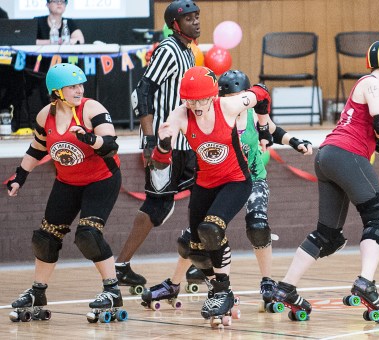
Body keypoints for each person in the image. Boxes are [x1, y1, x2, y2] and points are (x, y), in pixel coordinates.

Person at [267, 40, 379, 322]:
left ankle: (286, 288)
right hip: (347, 156)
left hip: (327, 156)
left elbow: (378, 141)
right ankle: (365, 281)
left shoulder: (362, 85)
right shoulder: (374, 84)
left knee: (327, 235)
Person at [151, 66, 271, 322]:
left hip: (237, 181)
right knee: (194, 248)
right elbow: (161, 157)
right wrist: (162, 145)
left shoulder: (227, 106)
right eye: (190, 99)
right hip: (204, 184)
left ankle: (223, 291)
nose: (196, 105)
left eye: (201, 99)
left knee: (212, 229)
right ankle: (217, 291)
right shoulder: (181, 114)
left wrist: (263, 127)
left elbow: (262, 92)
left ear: (212, 95)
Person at [6, 63, 125, 322]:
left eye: (81, 84)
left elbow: (112, 147)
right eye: (72, 86)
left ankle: (112, 290)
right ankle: (38, 292)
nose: (79, 90)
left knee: (88, 235)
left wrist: (89, 139)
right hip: (67, 182)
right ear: (57, 91)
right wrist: (20, 176)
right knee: (45, 238)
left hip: (101, 180)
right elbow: (37, 149)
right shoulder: (44, 116)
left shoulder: (92, 109)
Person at [117, 0, 201, 295]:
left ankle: (199, 260)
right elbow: (142, 92)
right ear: (175, 24)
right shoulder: (168, 50)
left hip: (187, 142)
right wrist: (151, 140)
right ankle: (121, 267)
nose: (196, 22)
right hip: (165, 145)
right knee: (158, 206)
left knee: (207, 194)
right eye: (189, 19)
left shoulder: (187, 51)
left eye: (197, 17)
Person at [220, 70, 314, 310]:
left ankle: (267, 281)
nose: (240, 100)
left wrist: (296, 143)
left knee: (258, 226)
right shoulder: (219, 117)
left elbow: (275, 130)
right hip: (225, 182)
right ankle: (218, 286)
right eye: (234, 96)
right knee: (209, 229)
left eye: (243, 95)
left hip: (253, 179)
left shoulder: (253, 114)